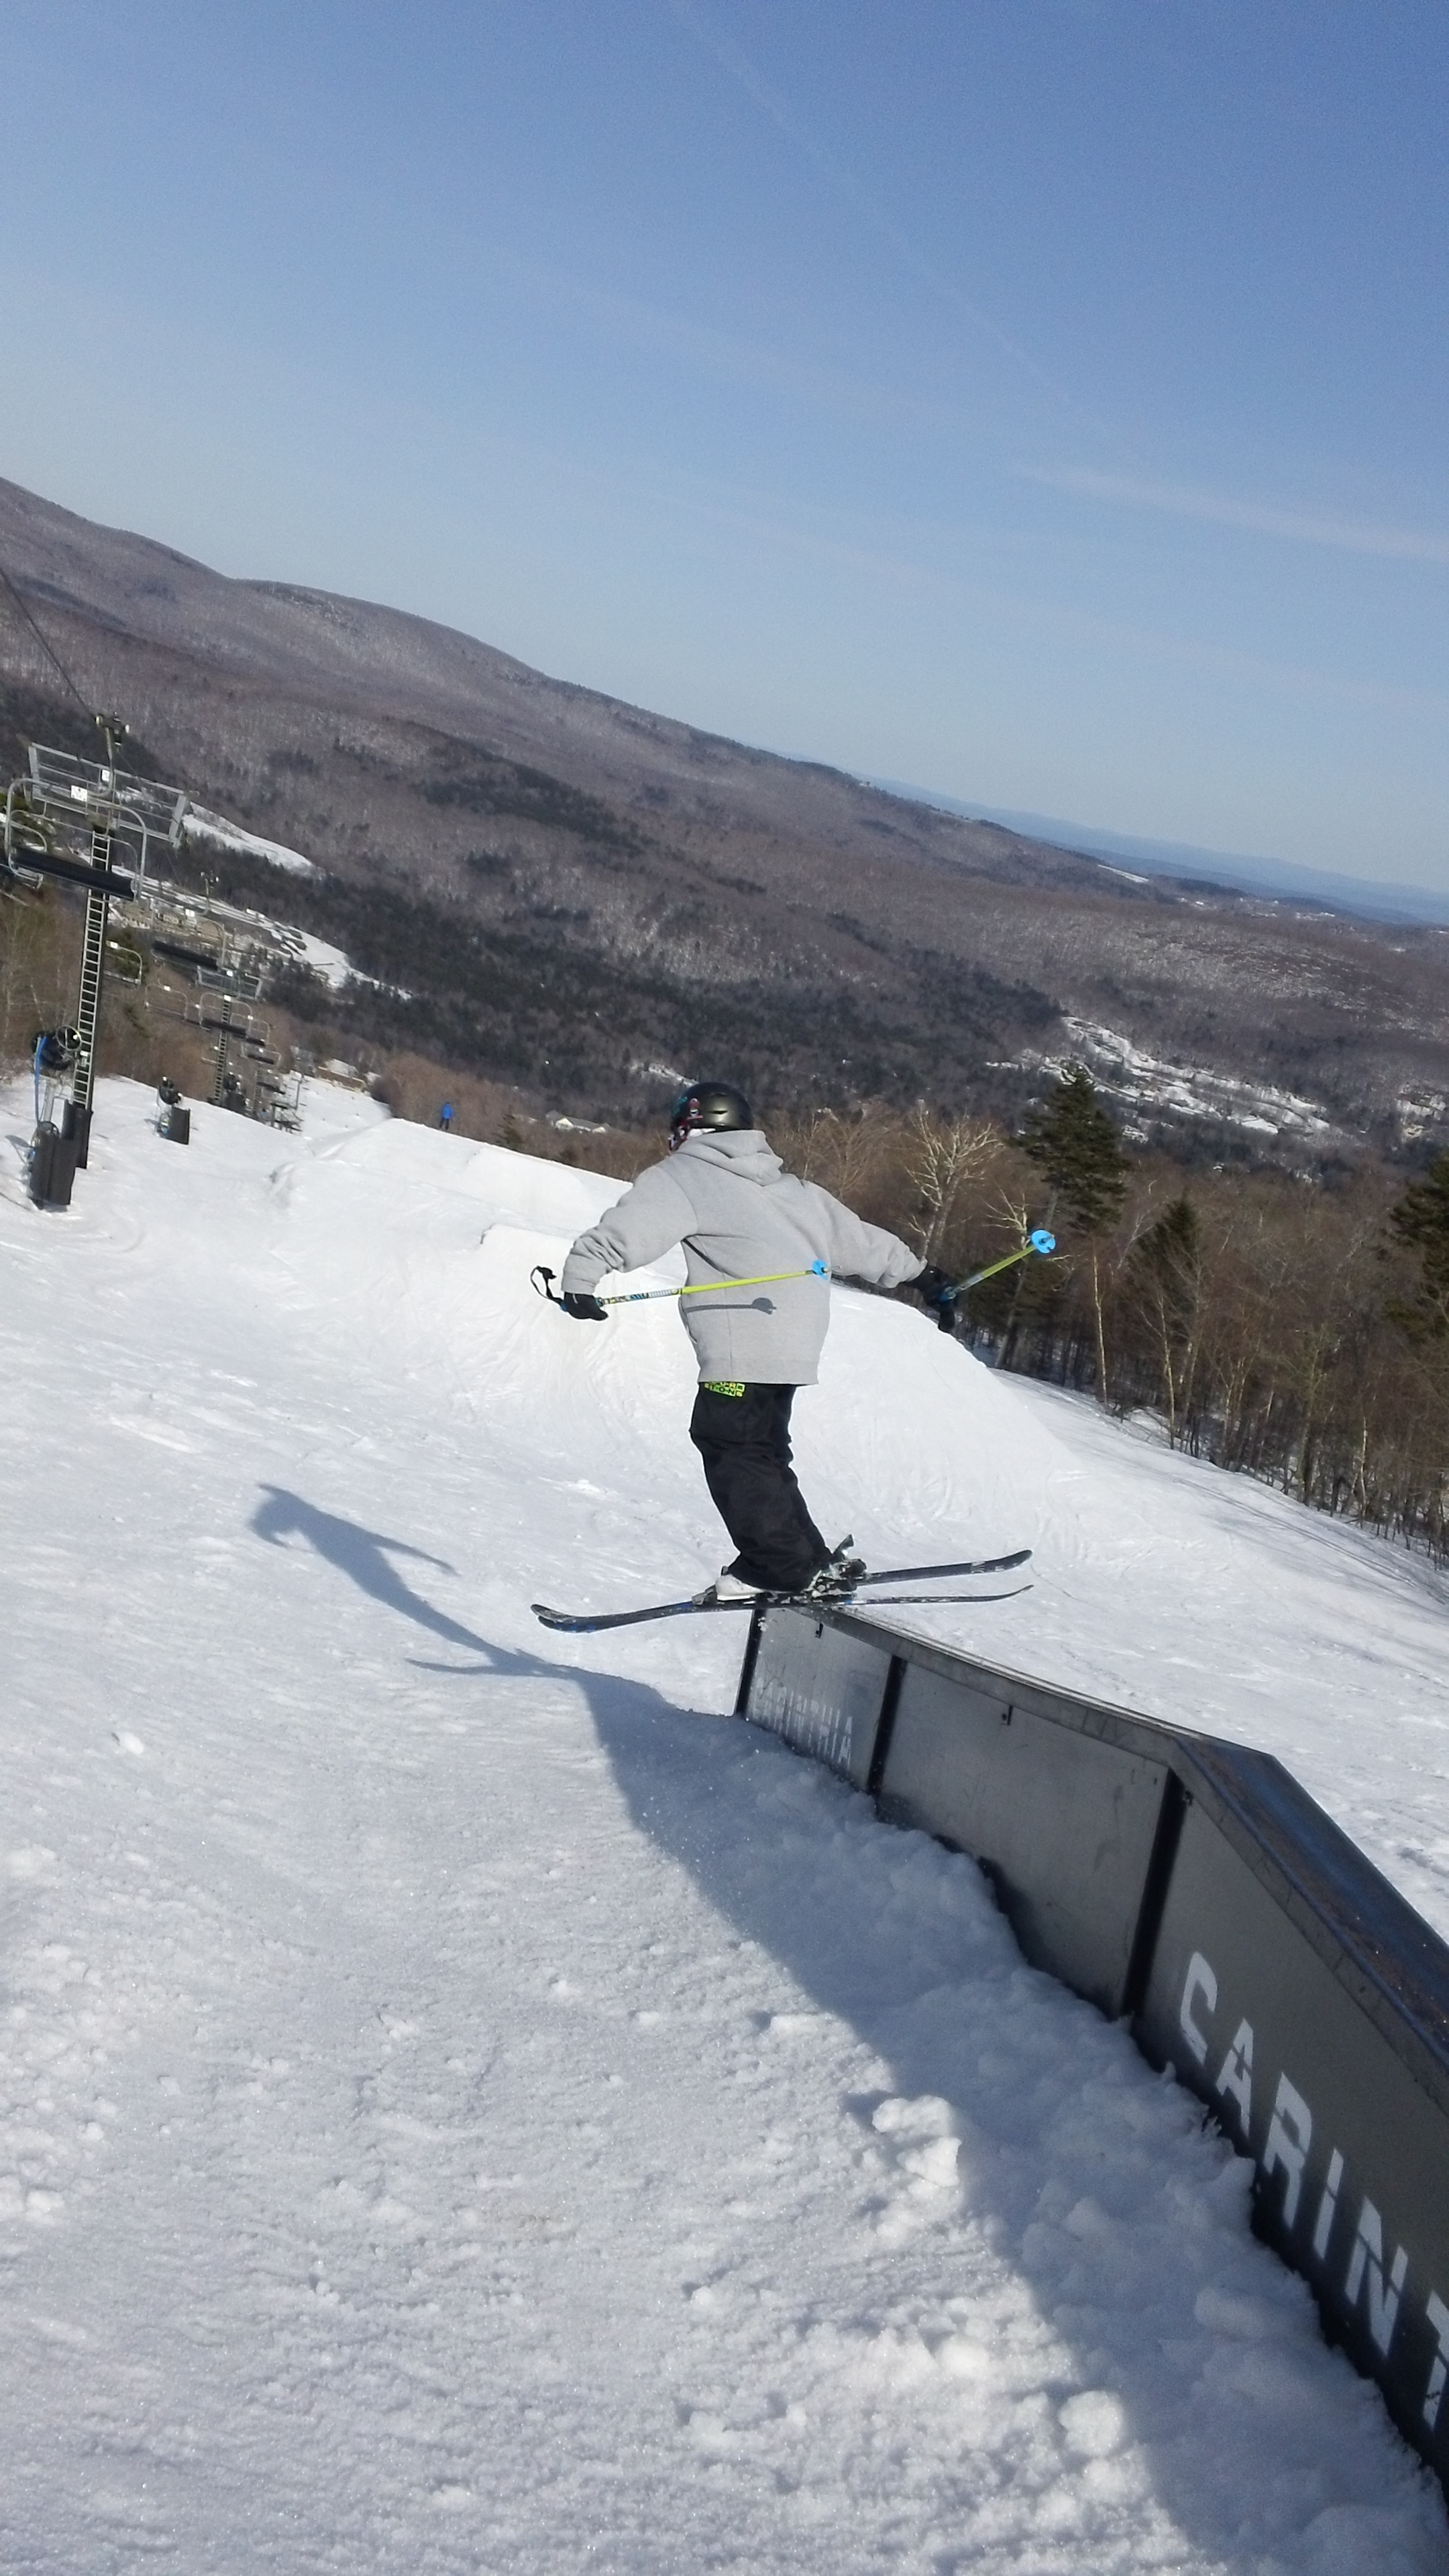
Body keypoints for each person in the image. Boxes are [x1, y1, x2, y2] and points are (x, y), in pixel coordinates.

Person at [555, 1080, 959, 1601]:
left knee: (730, 1444)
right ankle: (806, 1559)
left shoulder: (686, 1174)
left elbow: (630, 1229)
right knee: (762, 1451)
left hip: (743, 1341)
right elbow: (862, 1243)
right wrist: (926, 1278)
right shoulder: (792, 1187)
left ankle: (776, 1564)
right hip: (795, 1344)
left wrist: (580, 1278)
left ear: (687, 1129)